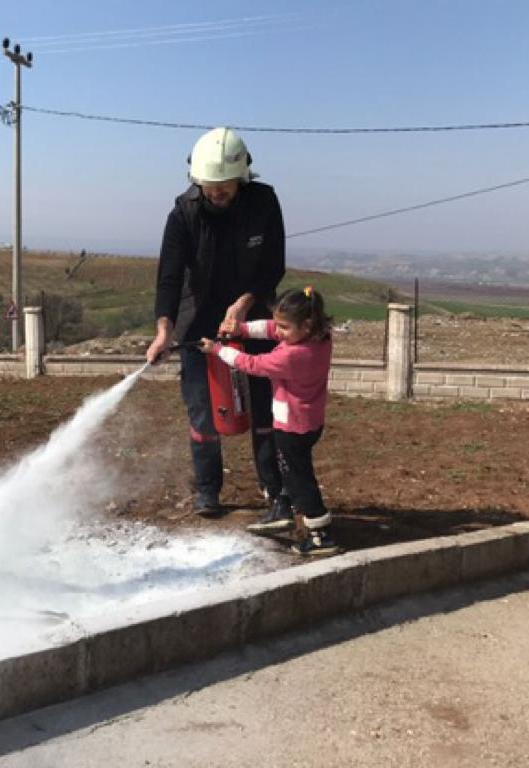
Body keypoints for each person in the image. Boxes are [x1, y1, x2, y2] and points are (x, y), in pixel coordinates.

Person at [146, 126, 287, 520]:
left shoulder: (264, 203)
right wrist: (164, 330)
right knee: (202, 411)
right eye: (210, 186)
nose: (218, 192)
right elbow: (169, 277)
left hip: (254, 316)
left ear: (242, 178)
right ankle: (208, 490)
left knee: (263, 407)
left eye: (225, 185)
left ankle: (274, 488)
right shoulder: (183, 213)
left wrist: (244, 303)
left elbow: (273, 264)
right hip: (198, 323)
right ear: (198, 181)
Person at [200, 286, 339, 556]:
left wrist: (217, 350)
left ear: (306, 324)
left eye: (285, 327)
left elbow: (252, 364)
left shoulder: (292, 355)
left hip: (292, 426)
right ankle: (285, 504)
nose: (279, 331)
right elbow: (272, 329)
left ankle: (321, 534)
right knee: (295, 470)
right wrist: (241, 329)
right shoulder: (319, 337)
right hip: (310, 421)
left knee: (299, 477)